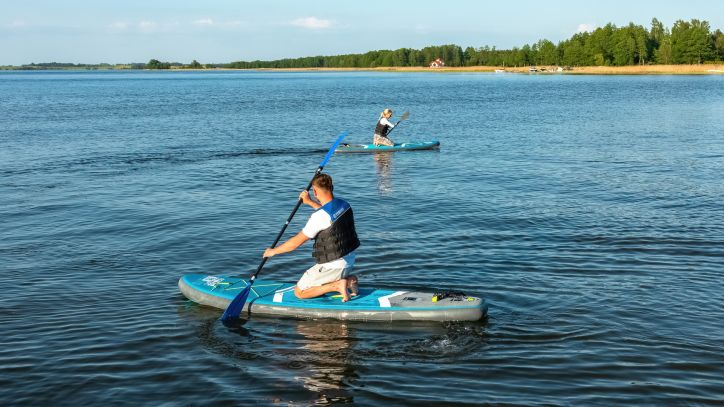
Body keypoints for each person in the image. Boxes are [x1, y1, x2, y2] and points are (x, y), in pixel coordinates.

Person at [263, 174, 360, 302]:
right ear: (332, 187)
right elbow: (328, 216)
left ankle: (337, 285)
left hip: (333, 266)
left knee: (300, 292)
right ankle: (349, 280)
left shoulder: (319, 217)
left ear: (314, 191)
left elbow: (296, 243)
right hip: (349, 261)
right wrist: (309, 202)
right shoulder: (344, 205)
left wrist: (273, 251)